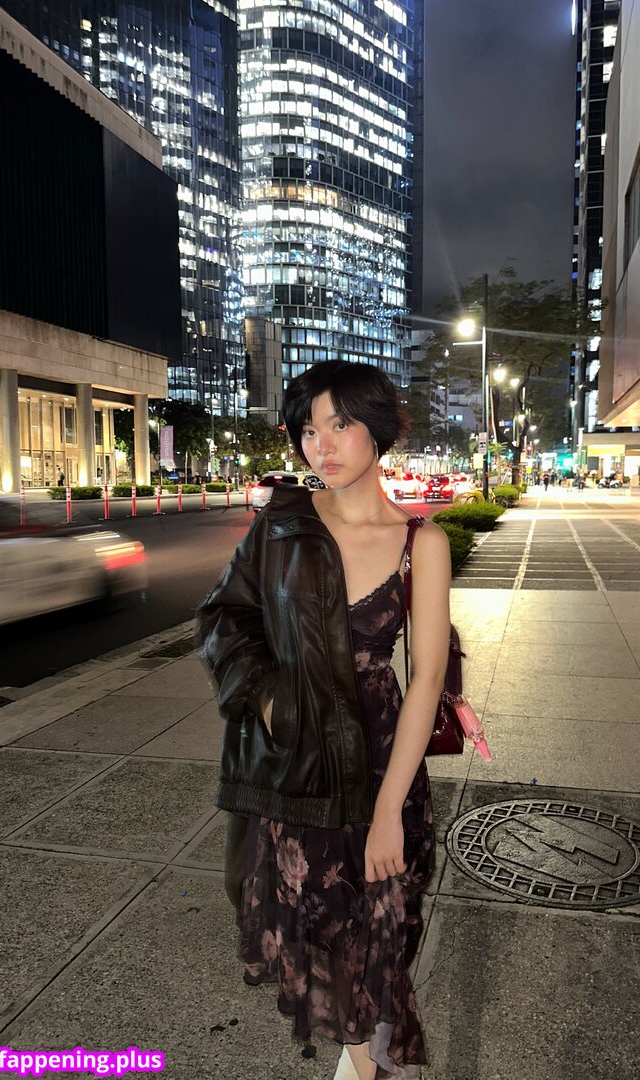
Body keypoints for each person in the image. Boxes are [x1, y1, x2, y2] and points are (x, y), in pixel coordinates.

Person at [196, 360, 450, 1079]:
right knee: (317, 931)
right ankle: (362, 1064)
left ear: (379, 428)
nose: (323, 446)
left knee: (375, 937)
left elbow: (427, 679)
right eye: (308, 430)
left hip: (379, 762)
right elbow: (224, 618)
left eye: (340, 424)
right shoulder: (282, 526)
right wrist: (270, 699)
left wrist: (390, 811)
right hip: (296, 768)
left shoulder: (420, 543)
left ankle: (362, 1063)